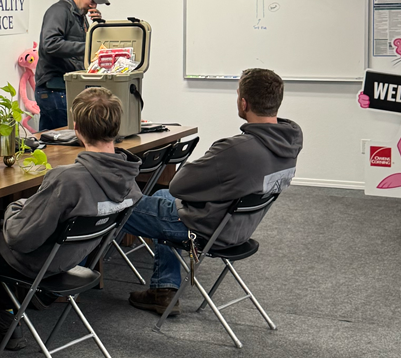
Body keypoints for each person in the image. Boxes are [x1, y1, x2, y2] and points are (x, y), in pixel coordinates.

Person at [0, 88, 141, 358]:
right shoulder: (130, 182)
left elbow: (19, 238)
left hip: (33, 262)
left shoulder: (67, 180)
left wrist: (15, 206)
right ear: (117, 127)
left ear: (76, 129)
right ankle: (6, 317)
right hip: (70, 258)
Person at [123, 67, 304, 315]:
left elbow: (178, 185)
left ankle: (74, 279)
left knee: (113, 206)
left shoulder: (235, 149)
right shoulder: (290, 143)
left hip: (204, 229)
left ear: (243, 102)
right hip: (240, 227)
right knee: (161, 196)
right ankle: (163, 289)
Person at [35, 0, 110, 130]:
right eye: (92, 0)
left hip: (64, 87)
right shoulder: (59, 11)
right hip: (55, 88)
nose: (94, 5)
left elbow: (84, 46)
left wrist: (97, 26)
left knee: (51, 139)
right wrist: (88, 47)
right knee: (66, 139)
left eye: (97, 2)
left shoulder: (80, 16)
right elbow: (50, 44)